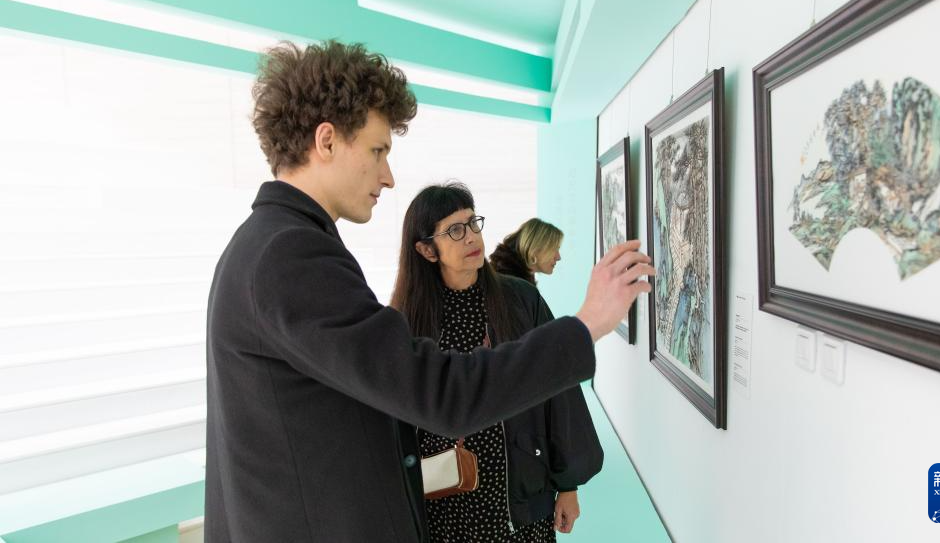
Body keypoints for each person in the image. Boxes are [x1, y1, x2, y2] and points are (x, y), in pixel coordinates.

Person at [204, 39, 654, 543]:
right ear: (326, 141)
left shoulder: (265, 244)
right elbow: (441, 394)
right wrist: (588, 323)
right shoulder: (290, 255)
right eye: (377, 151)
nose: (388, 177)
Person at [390, 183, 602, 542]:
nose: (471, 236)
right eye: (455, 230)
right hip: (444, 502)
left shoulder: (521, 300)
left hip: (519, 495)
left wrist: (568, 485)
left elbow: (559, 389)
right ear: (426, 250)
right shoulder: (407, 320)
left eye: (473, 223)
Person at [490, 218, 563, 285]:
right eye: (554, 249)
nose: (558, 257)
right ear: (534, 248)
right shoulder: (509, 285)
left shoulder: (516, 283)